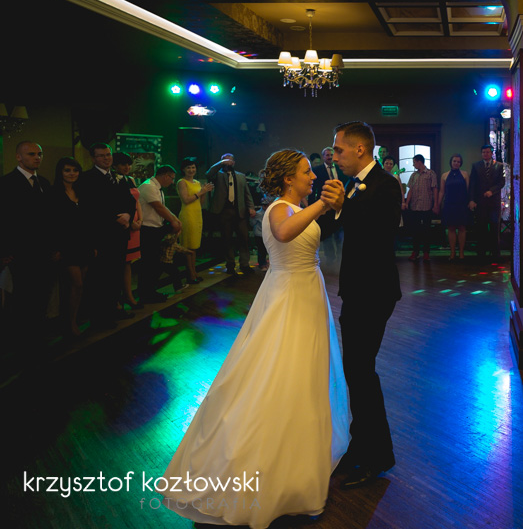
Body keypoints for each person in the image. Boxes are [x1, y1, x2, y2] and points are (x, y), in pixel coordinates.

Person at [159, 149, 349, 526]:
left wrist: (332, 209)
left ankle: (298, 459)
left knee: (306, 375)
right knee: (281, 372)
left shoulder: (300, 208)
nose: (313, 177)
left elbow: (313, 232)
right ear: (288, 179)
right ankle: (266, 462)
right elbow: (284, 233)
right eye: (306, 172)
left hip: (308, 292)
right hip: (289, 297)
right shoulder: (279, 209)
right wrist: (324, 206)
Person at [328, 121, 402, 489]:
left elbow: (379, 231)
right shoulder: (352, 185)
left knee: (361, 371)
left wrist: (344, 206)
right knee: (355, 371)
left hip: (374, 292)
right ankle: (360, 447)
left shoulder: (386, 184)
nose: (334, 156)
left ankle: (377, 456)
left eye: (339, 149)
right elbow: (338, 226)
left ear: (360, 149)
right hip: (356, 291)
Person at [76, 142, 135, 330]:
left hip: (120, 234)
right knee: (99, 278)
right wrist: (115, 218)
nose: (106, 158)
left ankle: (112, 310)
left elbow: (130, 201)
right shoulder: (86, 178)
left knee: (115, 275)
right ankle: (98, 318)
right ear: (93, 158)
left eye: (108, 154)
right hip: (101, 236)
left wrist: (128, 215)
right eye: (101, 155)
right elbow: (90, 207)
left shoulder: (119, 178)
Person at [0, 141, 56, 337]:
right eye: (31, 154)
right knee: (23, 298)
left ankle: (38, 335)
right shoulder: (6, 183)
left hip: (43, 251)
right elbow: (4, 220)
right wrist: (4, 251)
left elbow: (50, 219)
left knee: (42, 295)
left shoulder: (44, 183)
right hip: (20, 252)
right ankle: (24, 340)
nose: (37, 157)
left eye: (39, 153)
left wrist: (54, 247)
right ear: (19, 157)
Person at [51, 157, 93, 336]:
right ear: (60, 172)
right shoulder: (53, 192)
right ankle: (69, 323)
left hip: (83, 243)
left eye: (75, 170)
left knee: (79, 286)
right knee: (75, 284)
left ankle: (73, 319)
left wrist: (92, 244)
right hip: (66, 245)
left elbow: (89, 220)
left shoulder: (82, 191)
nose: (71, 174)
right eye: (67, 170)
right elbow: (51, 223)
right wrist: (55, 248)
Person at [137, 165, 182, 302]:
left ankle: (150, 291)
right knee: (149, 264)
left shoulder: (157, 188)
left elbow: (163, 206)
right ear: (165, 176)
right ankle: (146, 294)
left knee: (154, 263)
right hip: (147, 229)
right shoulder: (148, 186)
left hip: (155, 228)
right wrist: (173, 222)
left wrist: (175, 219)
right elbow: (158, 207)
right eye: (172, 178)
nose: (172, 182)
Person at [207, 153, 256, 274]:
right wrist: (220, 163)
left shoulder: (241, 176)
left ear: (234, 163)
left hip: (239, 211)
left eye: (229, 160)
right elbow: (208, 174)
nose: (228, 162)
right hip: (224, 211)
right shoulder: (218, 175)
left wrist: (251, 207)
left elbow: (247, 193)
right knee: (226, 239)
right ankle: (230, 264)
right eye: (225, 160)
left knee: (244, 238)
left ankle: (244, 264)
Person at [113, 152, 142, 311]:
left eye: (129, 164)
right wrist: (131, 222)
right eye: (123, 164)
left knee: (128, 263)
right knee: (120, 262)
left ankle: (129, 295)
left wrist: (140, 219)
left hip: (135, 221)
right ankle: (117, 299)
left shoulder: (130, 179)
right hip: (124, 223)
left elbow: (137, 202)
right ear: (115, 165)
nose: (127, 167)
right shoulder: (113, 179)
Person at [468, 144, 505, 261]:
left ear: (492, 153)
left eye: (488, 152)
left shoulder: (499, 166)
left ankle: (495, 254)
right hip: (480, 202)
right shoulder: (476, 166)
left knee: (494, 228)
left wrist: (492, 191)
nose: (485, 154)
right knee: (481, 229)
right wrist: (472, 200)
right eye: (483, 152)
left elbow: (502, 182)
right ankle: (481, 254)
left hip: (494, 202)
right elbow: (472, 184)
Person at [403, 153, 438, 261]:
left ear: (419, 162)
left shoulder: (431, 173)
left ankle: (426, 252)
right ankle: (415, 251)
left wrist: (436, 204)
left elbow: (435, 189)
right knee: (415, 231)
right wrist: (407, 203)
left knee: (426, 230)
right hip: (415, 207)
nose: (413, 165)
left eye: (414, 162)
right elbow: (410, 190)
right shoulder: (413, 175)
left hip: (427, 206)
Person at [176, 156, 213, 256]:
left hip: (197, 215)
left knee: (195, 245)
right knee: (188, 245)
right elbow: (186, 200)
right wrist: (201, 192)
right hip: (188, 215)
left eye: (193, 167)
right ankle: (189, 266)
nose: (191, 170)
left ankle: (193, 266)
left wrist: (204, 192)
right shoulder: (182, 182)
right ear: (183, 169)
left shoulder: (197, 182)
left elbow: (200, 203)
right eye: (188, 168)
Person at [439, 153, 471, 260]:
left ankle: (461, 252)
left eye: (458, 162)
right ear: (451, 162)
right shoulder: (444, 175)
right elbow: (441, 191)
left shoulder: (465, 174)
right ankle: (452, 252)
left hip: (462, 204)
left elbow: (468, 190)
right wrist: (437, 205)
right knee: (451, 228)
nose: (456, 163)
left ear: (460, 163)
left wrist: (470, 202)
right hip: (449, 204)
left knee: (462, 228)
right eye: (454, 161)